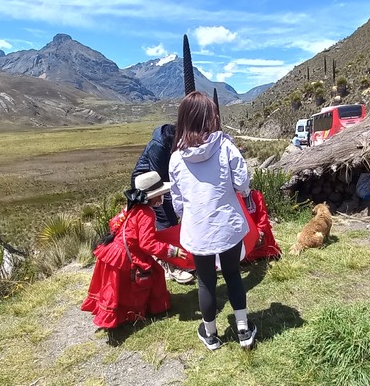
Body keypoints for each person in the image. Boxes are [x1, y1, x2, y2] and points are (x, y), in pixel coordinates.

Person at [169, 91, 257, 351]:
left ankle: (210, 334)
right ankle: (243, 330)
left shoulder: (176, 158)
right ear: (210, 118)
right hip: (226, 225)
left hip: (198, 229)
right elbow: (242, 183)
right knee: (232, 275)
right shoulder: (225, 146)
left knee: (205, 280)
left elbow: (177, 201)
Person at [81, 171, 189, 329]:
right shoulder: (146, 214)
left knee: (116, 287)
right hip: (126, 256)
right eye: (159, 195)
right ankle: (141, 310)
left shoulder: (131, 208)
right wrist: (173, 251)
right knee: (153, 275)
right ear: (151, 197)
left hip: (113, 252)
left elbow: (114, 224)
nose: (161, 199)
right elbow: (147, 243)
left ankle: (120, 314)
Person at [131, 124, 194, 285]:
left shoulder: (177, 140)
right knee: (166, 221)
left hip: (162, 184)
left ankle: (170, 260)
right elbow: (158, 178)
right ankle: (171, 266)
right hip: (149, 187)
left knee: (170, 220)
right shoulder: (158, 147)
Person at [243, 189, 281, 262]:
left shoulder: (256, 195)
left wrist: (260, 230)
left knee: (265, 230)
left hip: (259, 228)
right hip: (245, 231)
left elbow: (262, 214)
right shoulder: (234, 199)